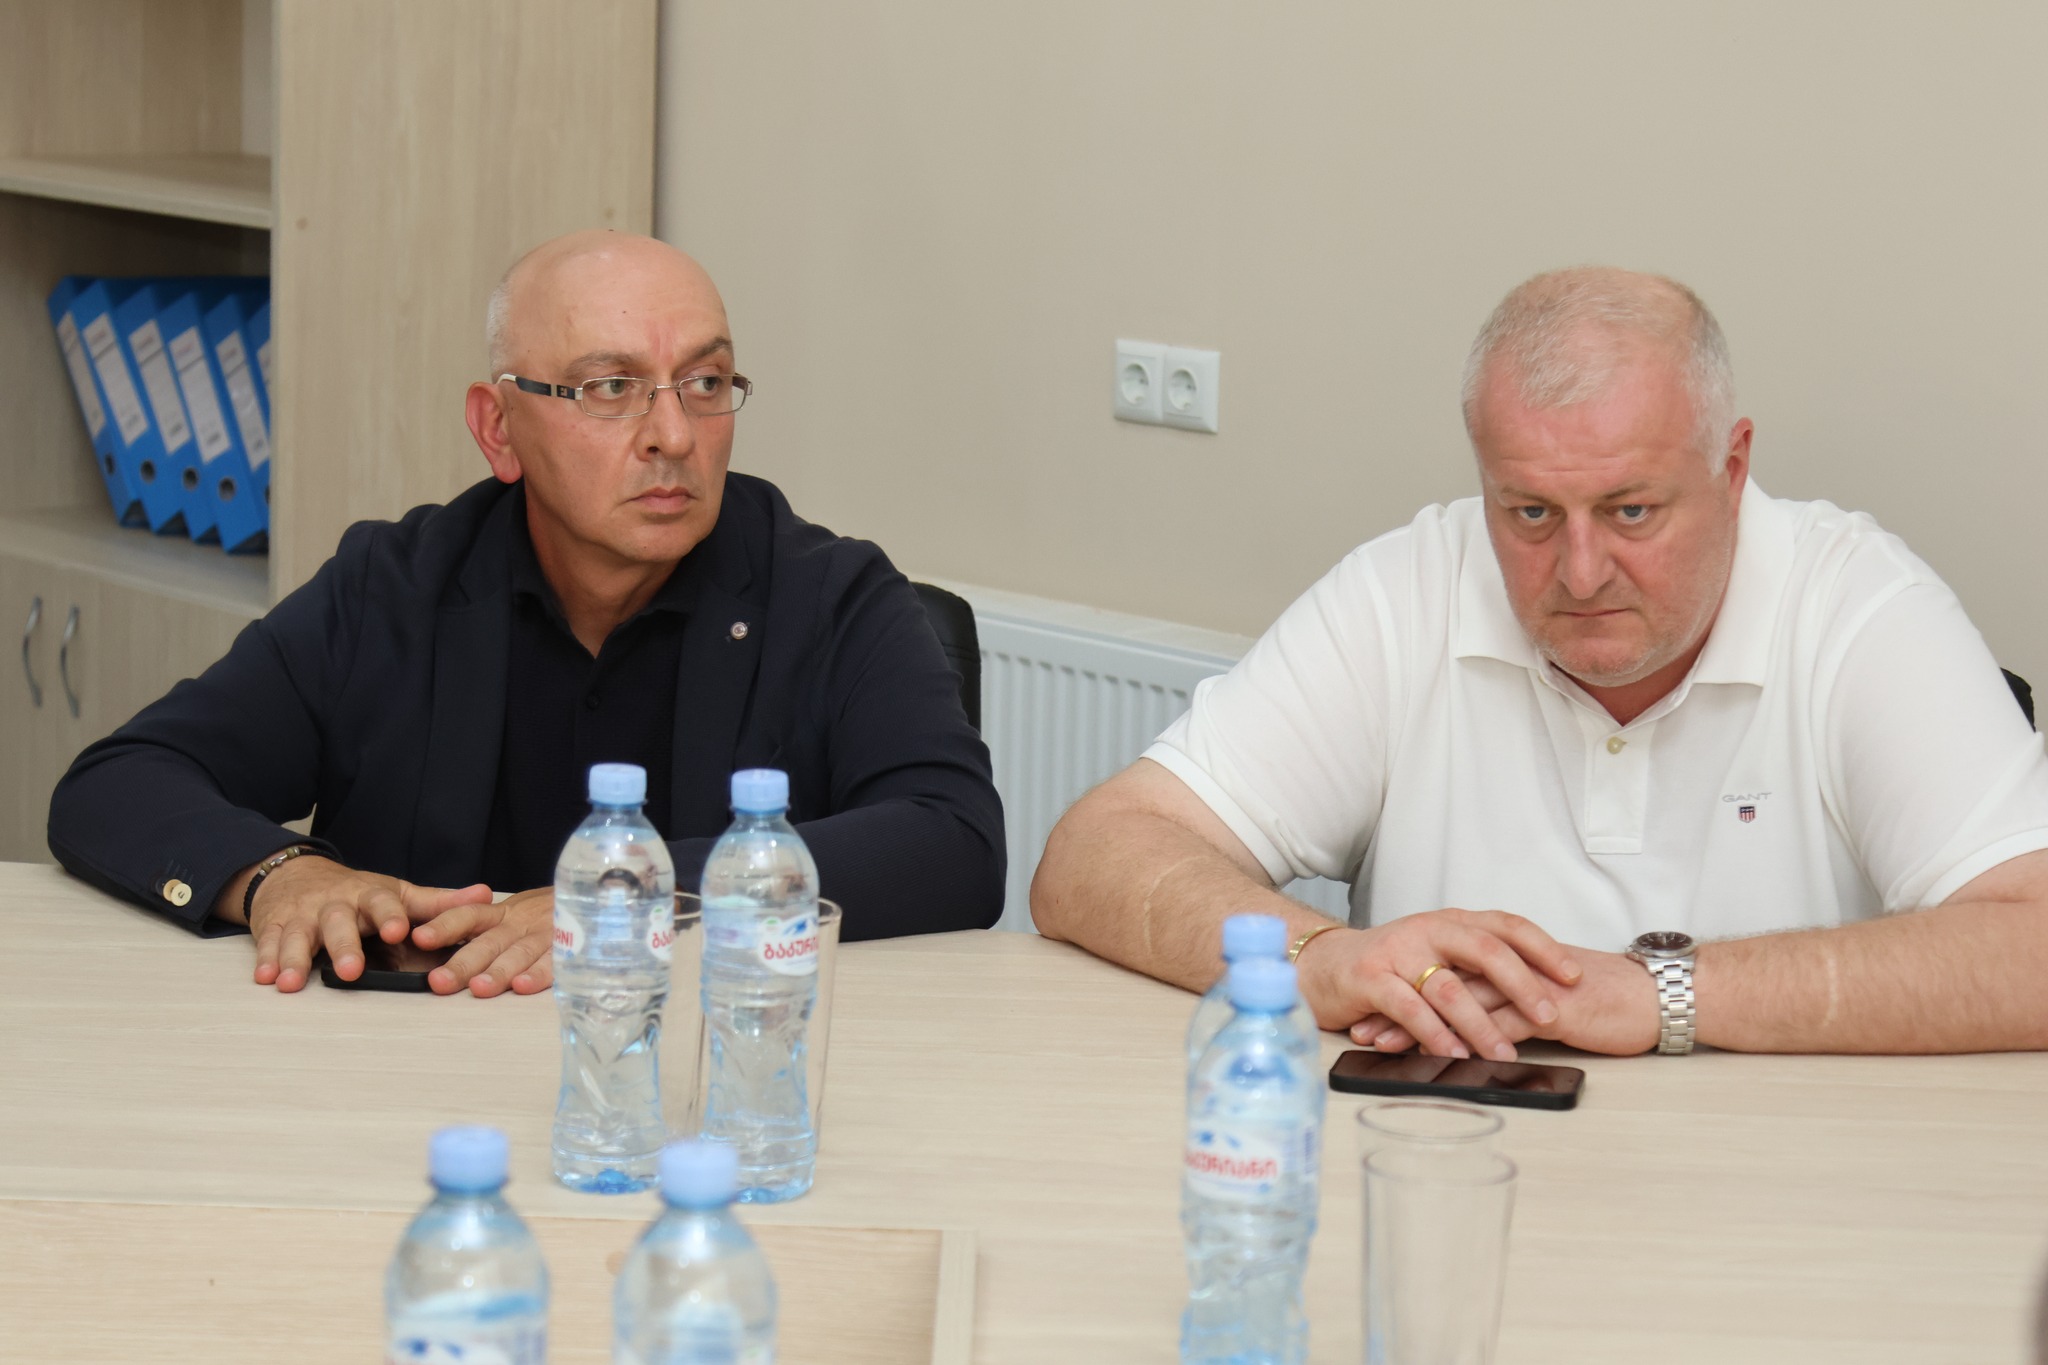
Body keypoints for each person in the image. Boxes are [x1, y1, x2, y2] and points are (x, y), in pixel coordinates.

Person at [1033, 266, 2048, 1058]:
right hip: (1449, 1161)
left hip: (1781, 1192)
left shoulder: (1858, 607)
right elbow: (1093, 855)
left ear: (1731, 468)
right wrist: (1321, 957)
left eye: (1630, 511)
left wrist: (1660, 994)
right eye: (1528, 513)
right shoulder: (1406, 589)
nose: (1579, 569)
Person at [49, 230, 1004, 995]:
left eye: (706, 383)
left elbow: (953, 842)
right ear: (497, 428)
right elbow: (121, 780)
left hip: (706, 1079)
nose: (674, 435)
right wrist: (276, 875)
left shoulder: (832, 596)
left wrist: (632, 896)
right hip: (411, 1075)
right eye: (611, 388)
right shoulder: (394, 588)